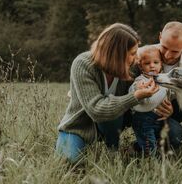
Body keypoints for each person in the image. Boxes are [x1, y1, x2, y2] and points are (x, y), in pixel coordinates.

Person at [55, 23, 159, 163]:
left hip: (115, 124)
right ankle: (80, 143)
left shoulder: (131, 66)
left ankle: (113, 150)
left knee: (172, 132)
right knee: (68, 162)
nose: (137, 59)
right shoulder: (83, 64)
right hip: (79, 126)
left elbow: (158, 55)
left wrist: (144, 90)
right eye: (133, 54)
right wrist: (135, 96)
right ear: (117, 54)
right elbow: (97, 109)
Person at [129, 45, 173, 154]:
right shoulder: (141, 81)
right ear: (140, 66)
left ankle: (136, 149)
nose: (152, 66)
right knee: (148, 142)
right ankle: (150, 162)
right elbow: (134, 92)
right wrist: (138, 89)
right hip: (143, 119)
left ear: (161, 63)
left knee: (159, 139)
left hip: (160, 118)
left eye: (156, 62)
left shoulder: (163, 79)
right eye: (147, 63)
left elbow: (171, 93)